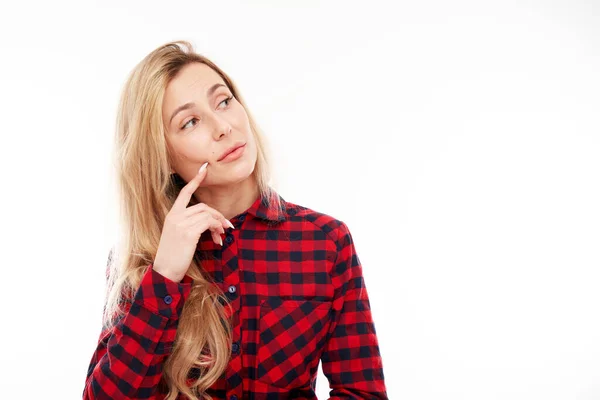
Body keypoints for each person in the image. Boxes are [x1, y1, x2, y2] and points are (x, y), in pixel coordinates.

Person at [82, 40, 387, 400]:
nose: (223, 127)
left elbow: (361, 392)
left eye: (223, 101)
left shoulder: (326, 242)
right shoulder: (142, 259)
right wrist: (164, 276)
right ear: (161, 156)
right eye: (190, 121)